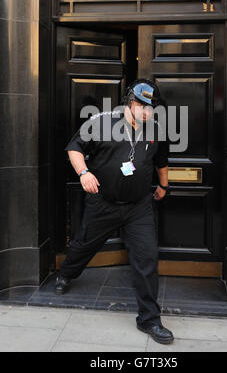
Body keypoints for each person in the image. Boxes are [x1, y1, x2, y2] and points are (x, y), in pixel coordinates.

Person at [55, 78, 174, 345]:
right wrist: (84, 172)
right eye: (143, 106)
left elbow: (162, 161)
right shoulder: (101, 122)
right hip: (103, 203)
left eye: (151, 108)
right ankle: (66, 274)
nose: (148, 112)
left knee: (146, 259)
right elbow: (74, 148)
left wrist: (164, 186)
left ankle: (150, 320)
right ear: (130, 103)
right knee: (84, 243)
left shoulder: (155, 128)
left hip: (139, 207)